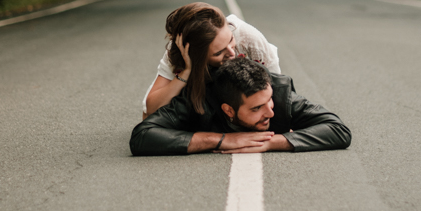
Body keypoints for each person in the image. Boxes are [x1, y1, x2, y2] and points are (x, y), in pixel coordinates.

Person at [130, 57, 351, 156]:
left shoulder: (280, 95)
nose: (270, 112)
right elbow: (142, 136)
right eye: (256, 109)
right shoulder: (196, 100)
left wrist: (274, 142)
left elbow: (338, 130)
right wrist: (220, 139)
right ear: (228, 110)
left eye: (269, 101)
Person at [142, 3, 279, 119]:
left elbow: (277, 93)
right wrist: (186, 72)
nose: (232, 53)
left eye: (230, 40)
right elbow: (150, 112)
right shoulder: (180, 50)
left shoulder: (248, 37)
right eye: (219, 52)